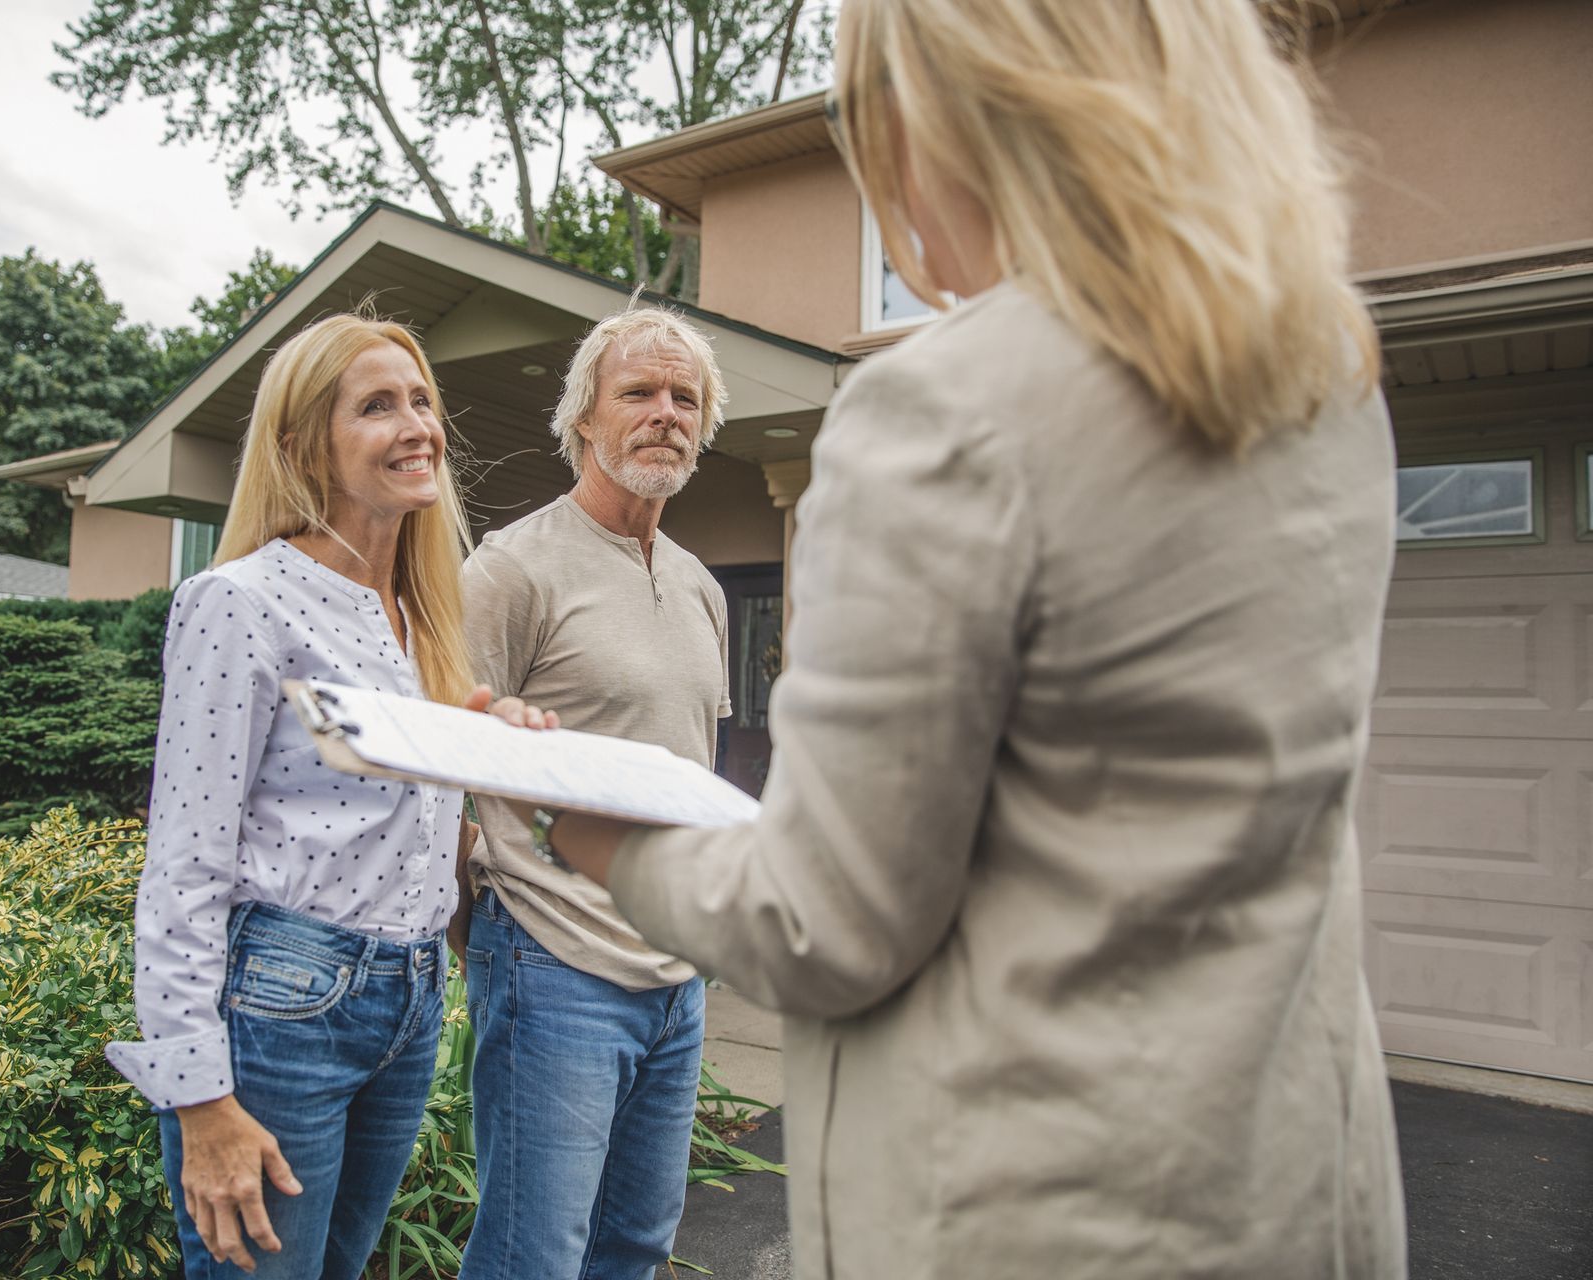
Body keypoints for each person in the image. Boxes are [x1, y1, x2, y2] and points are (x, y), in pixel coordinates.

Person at [536, 1, 1410, 1276]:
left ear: (959, 111)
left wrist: (602, 838)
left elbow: (825, 919)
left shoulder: (949, 405)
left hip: (1044, 1199)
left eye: (869, 116)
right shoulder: (1324, 376)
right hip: (1287, 1178)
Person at [105, 312, 554, 1277]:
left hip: (409, 998)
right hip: (282, 1007)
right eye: (378, 407)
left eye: (423, 402)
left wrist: (500, 755)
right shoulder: (241, 600)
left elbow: (403, 821)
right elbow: (185, 855)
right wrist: (199, 1097)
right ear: (306, 443)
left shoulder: (426, 617)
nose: (417, 426)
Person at [454, 302, 732, 1280]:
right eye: (640, 391)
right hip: (554, 959)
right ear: (584, 417)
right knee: (536, 1256)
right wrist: (473, 923)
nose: (665, 411)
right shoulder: (511, 567)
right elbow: (451, 760)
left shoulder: (701, 584)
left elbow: (691, 764)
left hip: (675, 975)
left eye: (684, 396)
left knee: (635, 1248)